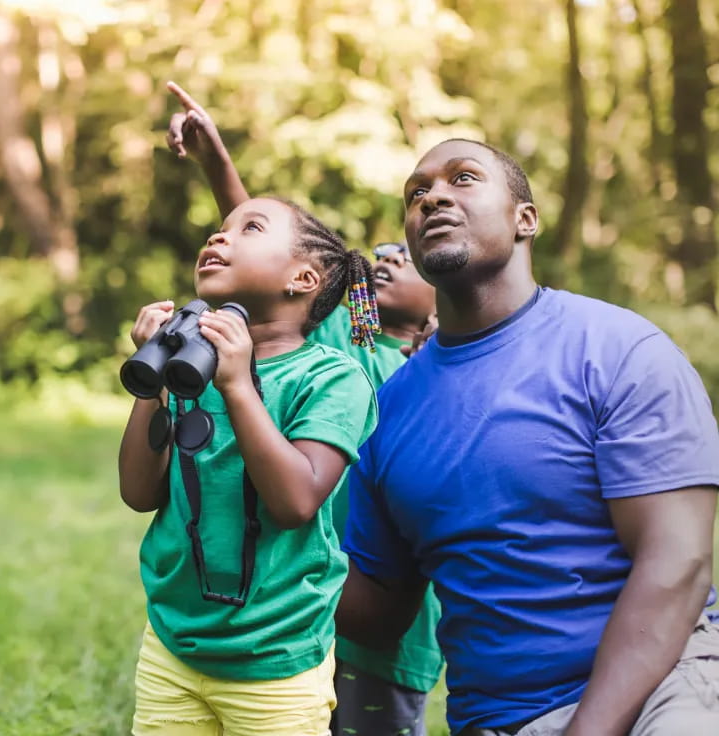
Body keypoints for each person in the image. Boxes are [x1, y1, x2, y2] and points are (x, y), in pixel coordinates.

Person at [335, 137, 719, 736]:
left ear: (525, 219)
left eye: (463, 179)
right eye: (417, 193)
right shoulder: (387, 410)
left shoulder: (618, 350)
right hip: (499, 720)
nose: (433, 197)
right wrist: (252, 515)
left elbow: (679, 563)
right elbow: (380, 612)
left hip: (664, 687)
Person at [164, 81, 444, 736]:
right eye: (384, 253)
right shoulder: (348, 338)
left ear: (445, 298)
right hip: (303, 595)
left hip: (388, 621)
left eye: (410, 258)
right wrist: (218, 167)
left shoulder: (435, 372)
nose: (390, 255)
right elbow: (275, 267)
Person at [119, 195, 380, 735]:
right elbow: (139, 492)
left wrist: (238, 384)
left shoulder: (332, 379)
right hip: (175, 642)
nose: (219, 237)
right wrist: (151, 379)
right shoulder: (189, 365)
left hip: (275, 657)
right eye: (219, 228)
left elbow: (295, 501)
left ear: (303, 279)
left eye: (250, 228)